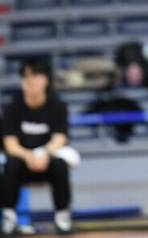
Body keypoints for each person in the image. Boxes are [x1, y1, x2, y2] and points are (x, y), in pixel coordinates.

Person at [2, 58, 73, 236]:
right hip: (22, 161)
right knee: (10, 165)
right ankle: (9, 217)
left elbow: (60, 138)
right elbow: (10, 144)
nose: (30, 82)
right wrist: (28, 156)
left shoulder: (57, 106)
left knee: (60, 165)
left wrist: (43, 153)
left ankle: (62, 217)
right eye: (26, 78)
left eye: (35, 76)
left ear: (45, 80)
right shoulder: (12, 107)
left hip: (47, 160)